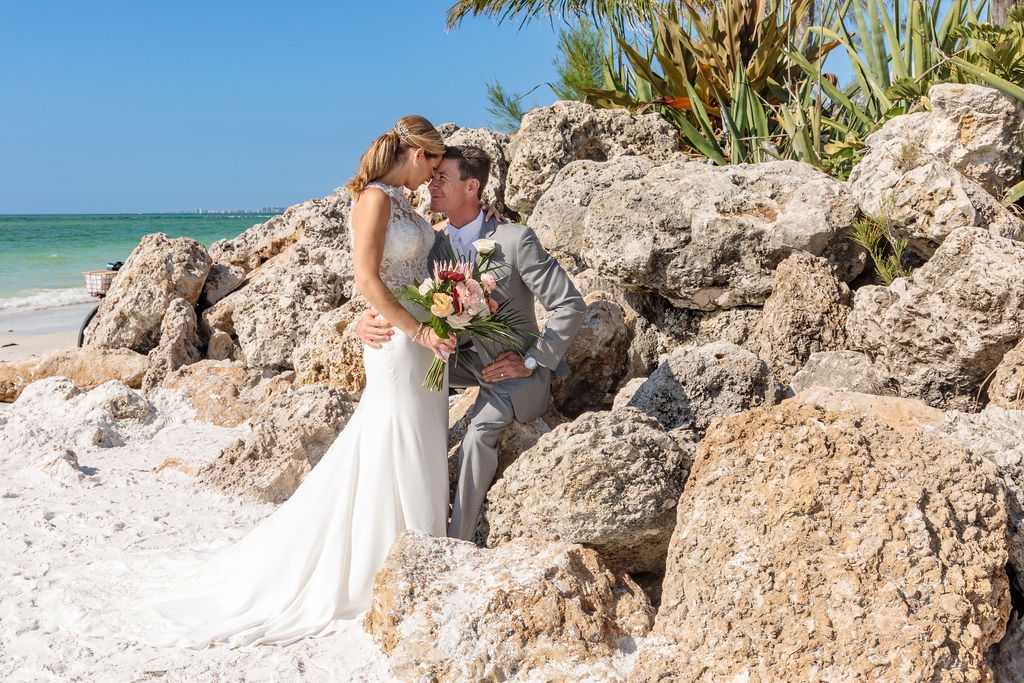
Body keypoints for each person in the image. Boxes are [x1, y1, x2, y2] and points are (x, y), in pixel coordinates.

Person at [134, 115, 458, 647]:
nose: (434, 177)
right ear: (417, 154)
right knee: (391, 436)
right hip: (401, 339)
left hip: (425, 332)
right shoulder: (375, 199)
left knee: (418, 436)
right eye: (434, 165)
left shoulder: (403, 201)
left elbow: (417, 267)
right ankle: (388, 557)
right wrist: (417, 329)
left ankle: (419, 548)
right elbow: (366, 278)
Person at [357, 144, 586, 541]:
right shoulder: (434, 247)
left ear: (472, 185)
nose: (431, 184)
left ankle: (457, 542)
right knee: (405, 398)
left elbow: (570, 305)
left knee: (477, 435)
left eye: (442, 177)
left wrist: (532, 361)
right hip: (458, 360)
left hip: (513, 369)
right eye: (432, 175)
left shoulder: (515, 240)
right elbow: (393, 282)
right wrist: (367, 319)